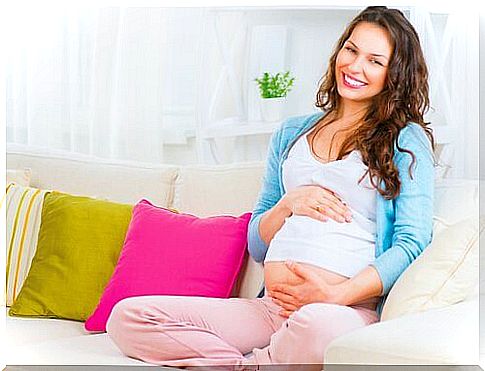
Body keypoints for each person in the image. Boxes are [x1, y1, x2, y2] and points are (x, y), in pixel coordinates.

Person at [106, 6, 435, 369]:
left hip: (342, 311)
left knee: (315, 327)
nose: (355, 67)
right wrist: (288, 204)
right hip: (268, 309)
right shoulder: (291, 133)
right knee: (128, 316)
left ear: (395, 74)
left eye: (375, 61)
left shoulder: (405, 140)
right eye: (351, 50)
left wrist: (336, 294)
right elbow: (257, 245)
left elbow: (412, 242)